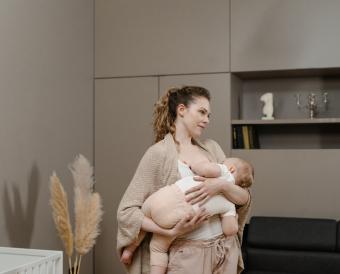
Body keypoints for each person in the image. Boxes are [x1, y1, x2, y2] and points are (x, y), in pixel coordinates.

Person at [117, 86, 252, 274]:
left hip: (225, 250)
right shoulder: (158, 154)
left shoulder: (212, 148)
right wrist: (168, 232)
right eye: (202, 112)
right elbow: (127, 212)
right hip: (187, 255)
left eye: (209, 115)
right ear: (182, 110)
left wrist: (220, 185)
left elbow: (244, 197)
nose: (206, 120)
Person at [120, 157, 254, 274]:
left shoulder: (222, 170)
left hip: (162, 197)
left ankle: (130, 249)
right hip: (177, 217)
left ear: (231, 168)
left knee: (144, 216)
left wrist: (194, 164)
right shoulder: (229, 204)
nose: (220, 163)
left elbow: (205, 168)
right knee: (158, 249)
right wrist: (234, 219)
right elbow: (229, 230)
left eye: (223, 162)